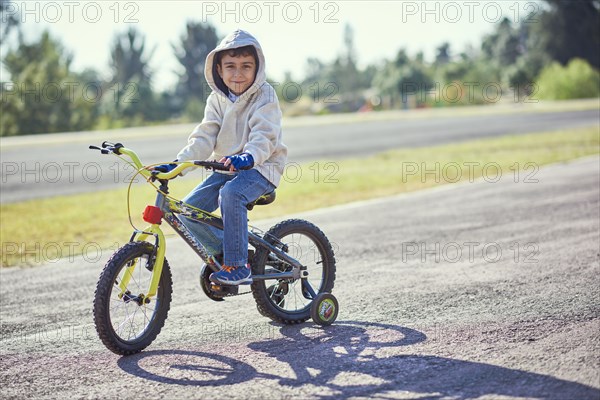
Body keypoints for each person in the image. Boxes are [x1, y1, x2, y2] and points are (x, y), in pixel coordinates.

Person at [154, 29, 287, 285]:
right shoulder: (216, 99)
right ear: (219, 69)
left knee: (231, 194)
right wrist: (177, 164)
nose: (238, 74)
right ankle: (229, 255)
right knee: (187, 212)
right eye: (231, 67)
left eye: (246, 66)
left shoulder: (265, 96)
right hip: (225, 169)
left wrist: (249, 157)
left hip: (261, 168)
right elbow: (204, 137)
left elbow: (265, 135)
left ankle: (238, 266)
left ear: (257, 68)